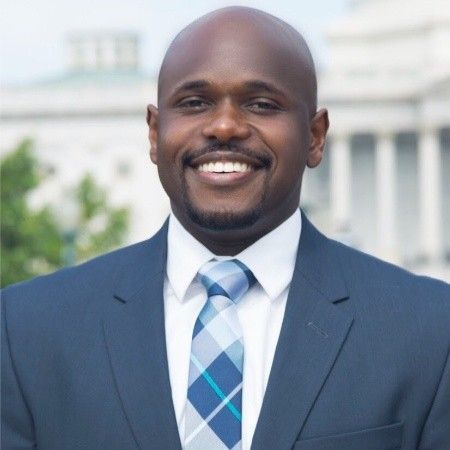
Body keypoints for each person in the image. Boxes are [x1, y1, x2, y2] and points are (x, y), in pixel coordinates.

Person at [1, 6, 449, 450]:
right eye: (195, 103)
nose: (225, 127)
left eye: (262, 104)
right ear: (155, 134)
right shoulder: (25, 332)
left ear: (315, 136)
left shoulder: (430, 330)